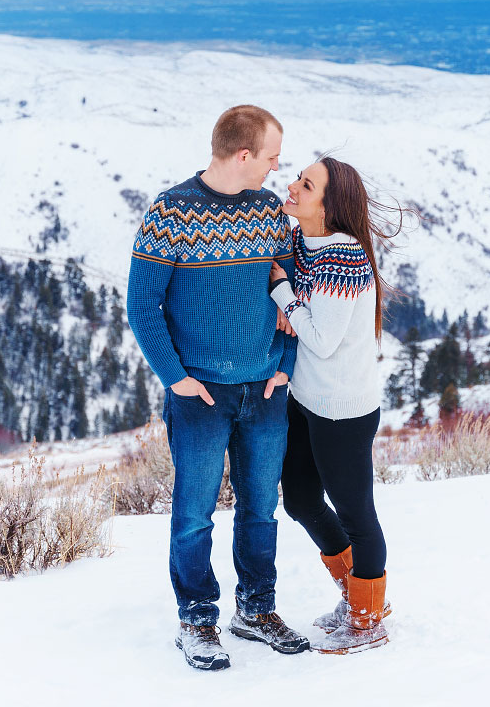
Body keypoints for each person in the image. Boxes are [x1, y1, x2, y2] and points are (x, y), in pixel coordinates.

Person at [126, 105, 309, 671]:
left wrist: (284, 362)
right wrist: (175, 378)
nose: (280, 167)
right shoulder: (171, 212)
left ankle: (256, 609)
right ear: (244, 154)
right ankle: (197, 620)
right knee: (195, 514)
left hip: (265, 390)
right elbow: (143, 306)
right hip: (200, 394)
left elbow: (291, 299)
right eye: (273, 156)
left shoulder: (270, 216)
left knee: (260, 509)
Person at [267, 156, 402, 654]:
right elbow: (308, 316)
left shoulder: (342, 257)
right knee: (300, 499)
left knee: (356, 515)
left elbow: (321, 339)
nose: (294, 186)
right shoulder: (306, 241)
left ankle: (368, 622)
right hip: (306, 398)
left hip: (343, 409)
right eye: (299, 178)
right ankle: (354, 594)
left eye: (307, 184)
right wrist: (293, 305)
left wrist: (283, 294)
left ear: (328, 204)